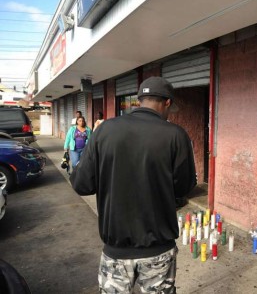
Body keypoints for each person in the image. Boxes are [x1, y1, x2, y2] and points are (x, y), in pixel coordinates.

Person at [69, 76, 196, 293]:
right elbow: (184, 187)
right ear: (166, 103)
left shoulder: (104, 130)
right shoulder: (176, 135)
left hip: (116, 252)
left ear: (140, 100)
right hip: (158, 249)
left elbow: (82, 184)